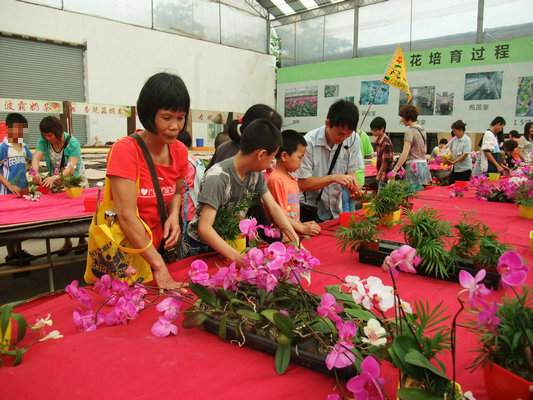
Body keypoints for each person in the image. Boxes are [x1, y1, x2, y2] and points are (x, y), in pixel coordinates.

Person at [104, 72, 190, 291]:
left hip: (157, 248)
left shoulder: (179, 150)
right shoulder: (126, 150)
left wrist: (173, 216)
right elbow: (126, 215)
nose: (175, 126)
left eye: (180, 118)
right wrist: (159, 266)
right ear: (149, 115)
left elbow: (177, 191)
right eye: (167, 117)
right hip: (128, 252)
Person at [181, 118, 299, 264]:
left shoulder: (255, 174)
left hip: (228, 242)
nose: (272, 164)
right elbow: (204, 229)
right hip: (201, 247)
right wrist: (237, 257)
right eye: (272, 158)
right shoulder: (218, 177)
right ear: (261, 154)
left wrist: (295, 241)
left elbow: (273, 207)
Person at [206, 104, 283, 244]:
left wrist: (292, 236)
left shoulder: (255, 170)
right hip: (214, 240)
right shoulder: (222, 172)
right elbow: (206, 228)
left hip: (231, 237)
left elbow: (272, 206)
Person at [295, 99, 363, 222]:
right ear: (327, 123)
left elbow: (351, 171)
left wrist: (353, 187)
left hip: (336, 210)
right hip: (311, 211)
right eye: (340, 133)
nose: (343, 138)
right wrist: (333, 178)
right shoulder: (309, 142)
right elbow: (303, 183)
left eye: (348, 134)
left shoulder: (353, 139)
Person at [32, 116, 87, 255]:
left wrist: (55, 177)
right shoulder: (44, 141)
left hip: (73, 179)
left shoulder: (72, 143)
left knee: (76, 211)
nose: (47, 138)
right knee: (61, 212)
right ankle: (67, 241)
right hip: (55, 179)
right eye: (44, 135)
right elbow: (36, 157)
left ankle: (82, 240)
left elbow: (71, 168)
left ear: (57, 131)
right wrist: (35, 172)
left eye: (50, 135)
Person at [267, 130, 321, 237]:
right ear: (284, 156)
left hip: (292, 231)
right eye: (300, 157)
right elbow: (279, 215)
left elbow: (292, 213)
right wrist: (302, 228)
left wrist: (302, 224)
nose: (301, 162)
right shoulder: (277, 180)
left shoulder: (291, 177)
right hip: (283, 235)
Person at [0, 113, 33, 265]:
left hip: (22, 192)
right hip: (7, 193)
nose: (19, 132)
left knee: (20, 223)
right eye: (16, 129)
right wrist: (8, 185)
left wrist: (28, 168)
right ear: (8, 129)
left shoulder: (24, 147)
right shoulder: (3, 147)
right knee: (10, 225)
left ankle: (18, 251)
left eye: (22, 129)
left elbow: (32, 161)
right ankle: (11, 254)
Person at [391, 105, 431, 191]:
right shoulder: (422, 130)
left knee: (409, 196)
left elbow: (405, 153)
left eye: (402, 117)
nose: (402, 120)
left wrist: (395, 170)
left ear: (407, 117)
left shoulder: (410, 132)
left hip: (413, 167)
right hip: (423, 166)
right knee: (418, 195)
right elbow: (425, 150)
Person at [369, 116, 393, 192]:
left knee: (381, 198)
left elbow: (385, 161)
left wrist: (379, 174)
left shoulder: (385, 142)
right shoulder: (379, 140)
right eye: (372, 130)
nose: (373, 133)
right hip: (381, 174)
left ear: (382, 129)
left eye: (375, 130)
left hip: (384, 175)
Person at [448, 120, 472, 184]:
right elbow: (447, 146)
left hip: (464, 169)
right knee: (451, 185)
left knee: (462, 186)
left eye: (455, 131)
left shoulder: (467, 140)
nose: (454, 133)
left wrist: (454, 162)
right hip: (455, 168)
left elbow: (465, 154)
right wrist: (441, 152)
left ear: (461, 130)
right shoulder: (455, 139)